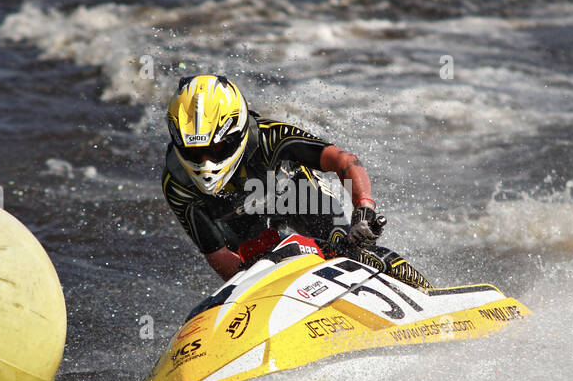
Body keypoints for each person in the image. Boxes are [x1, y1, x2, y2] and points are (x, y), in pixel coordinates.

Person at [160, 74, 431, 288]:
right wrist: (251, 281)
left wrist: (363, 208)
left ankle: (422, 292)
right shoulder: (176, 183)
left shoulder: (270, 137)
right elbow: (217, 256)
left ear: (237, 131)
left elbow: (344, 161)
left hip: (298, 195)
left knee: (350, 251)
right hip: (243, 225)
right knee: (252, 273)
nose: (206, 162)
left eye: (217, 150)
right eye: (194, 152)